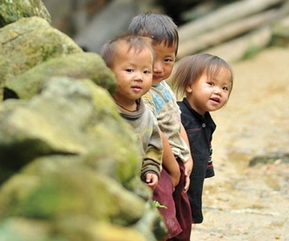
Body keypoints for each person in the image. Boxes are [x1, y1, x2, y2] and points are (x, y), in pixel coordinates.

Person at [128, 13, 193, 241]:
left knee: (182, 216)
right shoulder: (141, 93)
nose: (158, 67)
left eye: (168, 60)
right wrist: (174, 168)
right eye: (152, 58)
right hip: (159, 164)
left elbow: (176, 119)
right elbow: (155, 133)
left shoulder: (163, 86)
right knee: (163, 217)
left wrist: (187, 154)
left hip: (176, 160)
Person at [172, 53, 233, 224]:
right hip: (175, 184)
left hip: (193, 185)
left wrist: (206, 169)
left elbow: (205, 149)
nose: (218, 91)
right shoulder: (177, 114)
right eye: (211, 84)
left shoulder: (207, 121)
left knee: (185, 223)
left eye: (225, 88)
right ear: (190, 85)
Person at [100, 34, 163, 190]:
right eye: (129, 70)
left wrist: (151, 169)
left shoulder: (147, 116)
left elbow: (153, 147)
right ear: (108, 72)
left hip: (135, 185)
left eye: (146, 72)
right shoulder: (103, 109)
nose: (139, 77)